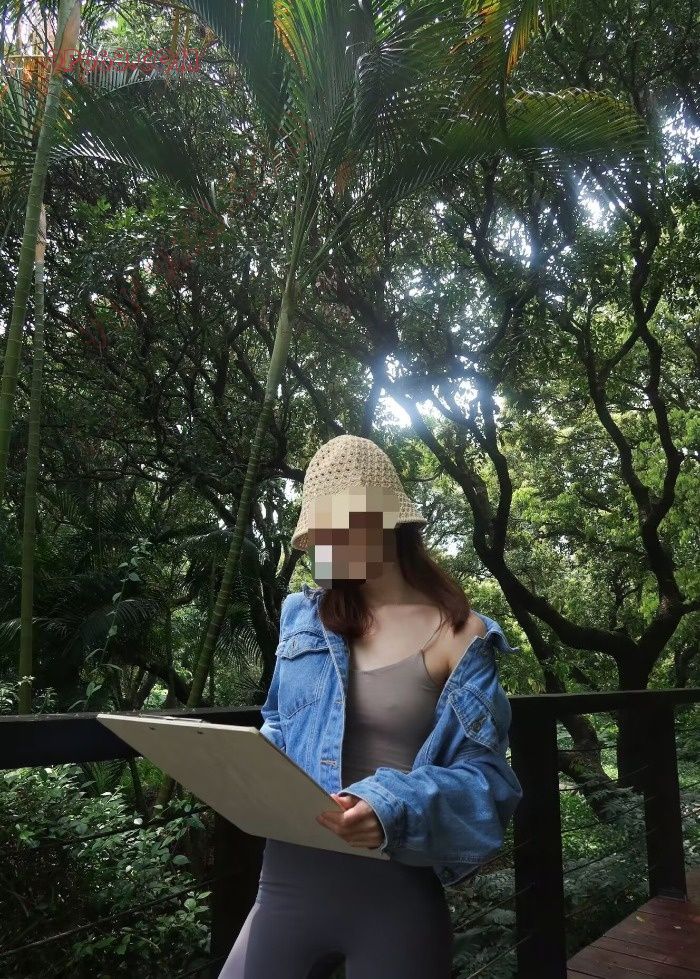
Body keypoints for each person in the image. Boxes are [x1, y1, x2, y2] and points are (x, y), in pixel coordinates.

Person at [219, 434, 523, 979]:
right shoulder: (302, 617)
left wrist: (390, 805)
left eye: (341, 527)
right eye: (320, 532)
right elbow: (278, 724)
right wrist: (239, 772)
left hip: (395, 893)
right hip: (286, 879)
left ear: (386, 524)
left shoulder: (460, 635)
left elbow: (488, 783)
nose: (324, 546)